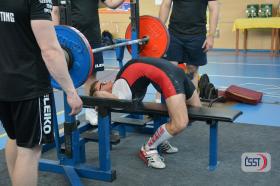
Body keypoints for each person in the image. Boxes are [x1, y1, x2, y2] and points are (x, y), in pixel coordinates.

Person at [0, 1, 83, 185]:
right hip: (30, 86)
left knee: (14, 138)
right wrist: (71, 91)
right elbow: (50, 50)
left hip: (4, 83)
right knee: (30, 150)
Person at [89, 57, 201, 169]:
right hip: (169, 73)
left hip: (172, 71)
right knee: (180, 123)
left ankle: (161, 138)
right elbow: (101, 96)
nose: (106, 81)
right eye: (102, 84)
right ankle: (148, 148)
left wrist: (98, 94)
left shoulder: (120, 83)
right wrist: (96, 98)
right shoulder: (119, 91)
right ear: (100, 92)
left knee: (196, 110)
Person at [52, 0, 124, 125]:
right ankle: (71, 114)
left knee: (92, 75)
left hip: (92, 35)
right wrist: (55, 36)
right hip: (71, 37)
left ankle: (90, 111)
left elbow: (112, 4)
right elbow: (55, 11)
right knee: (68, 74)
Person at [159, 0, 219, 88]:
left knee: (192, 70)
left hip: (197, 35)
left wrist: (211, 36)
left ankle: (191, 100)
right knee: (170, 70)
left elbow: (214, 8)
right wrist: (160, 28)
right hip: (174, 34)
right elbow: (165, 4)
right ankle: (171, 100)